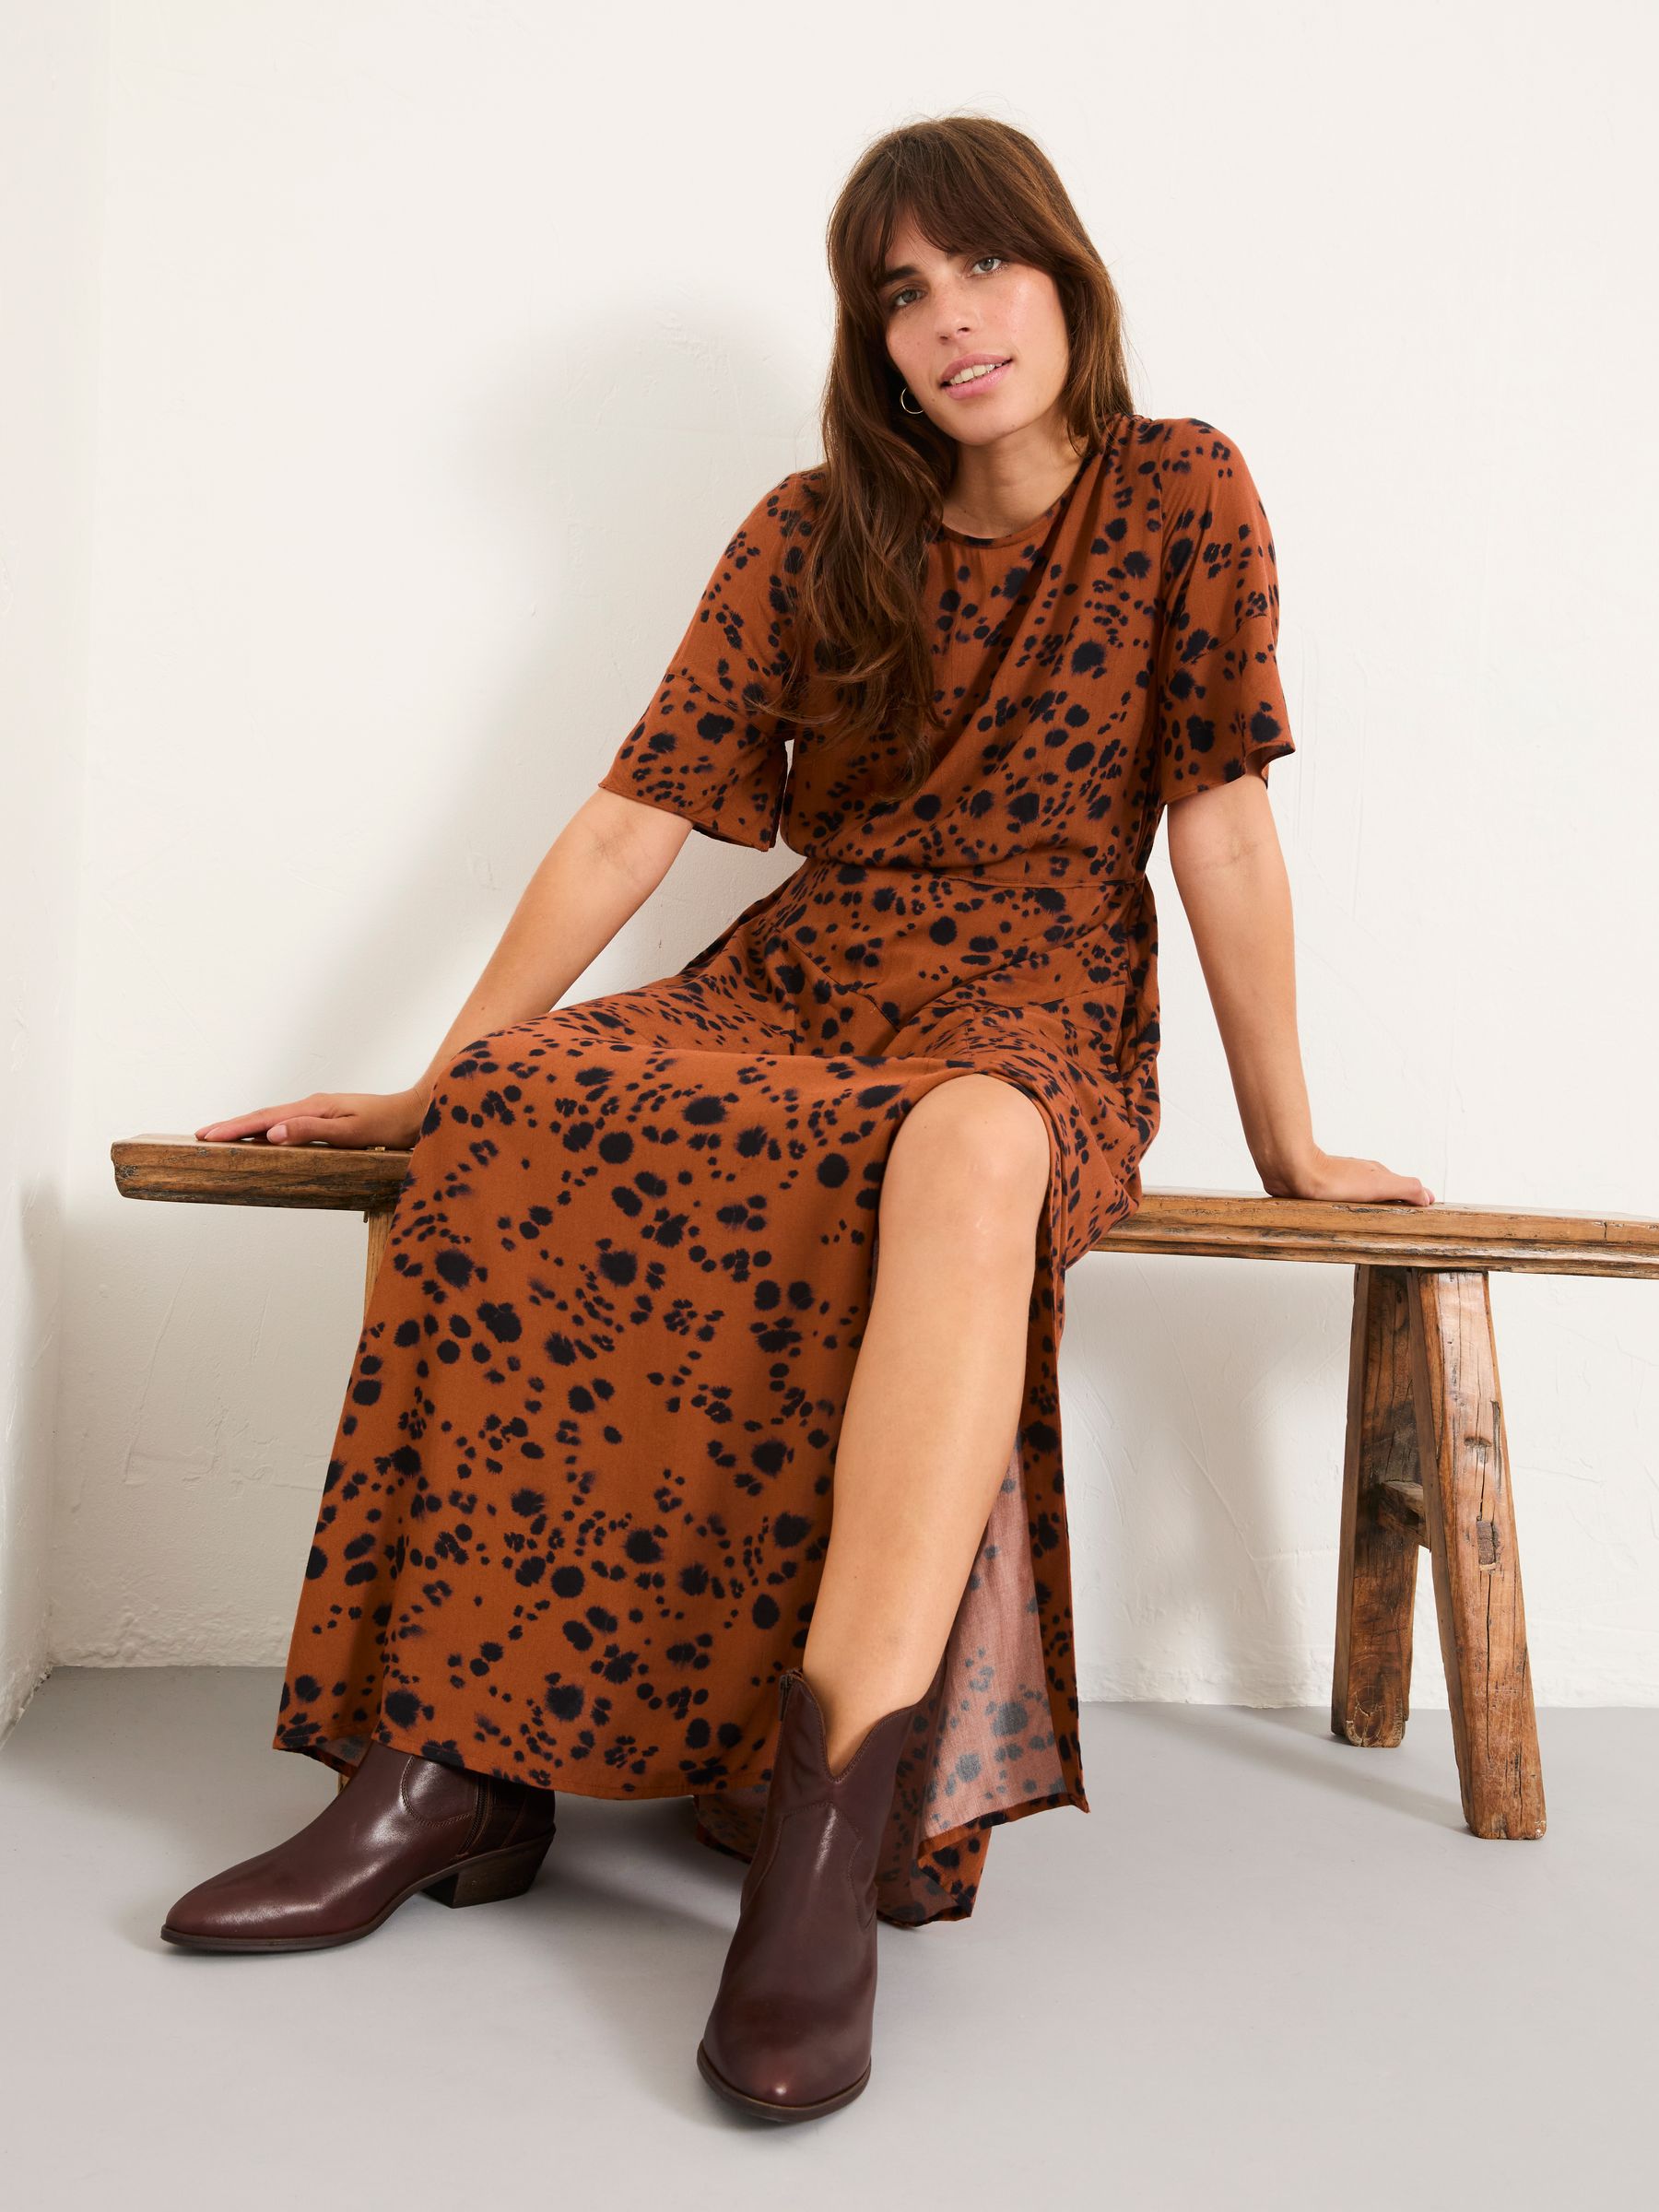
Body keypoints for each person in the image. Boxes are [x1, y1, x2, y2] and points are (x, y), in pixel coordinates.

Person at [158, 113, 1434, 2123]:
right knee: (517, 1103)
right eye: (902, 294)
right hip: (800, 986)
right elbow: (634, 816)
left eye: (984, 266)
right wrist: (432, 1084)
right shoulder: (813, 524)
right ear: (872, 341)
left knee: (975, 1144)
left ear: (1066, 277)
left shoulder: (1182, 488)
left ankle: (822, 1839)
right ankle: (441, 1768)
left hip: (1034, 999)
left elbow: (1222, 824)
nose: (952, 320)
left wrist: (1293, 1143)